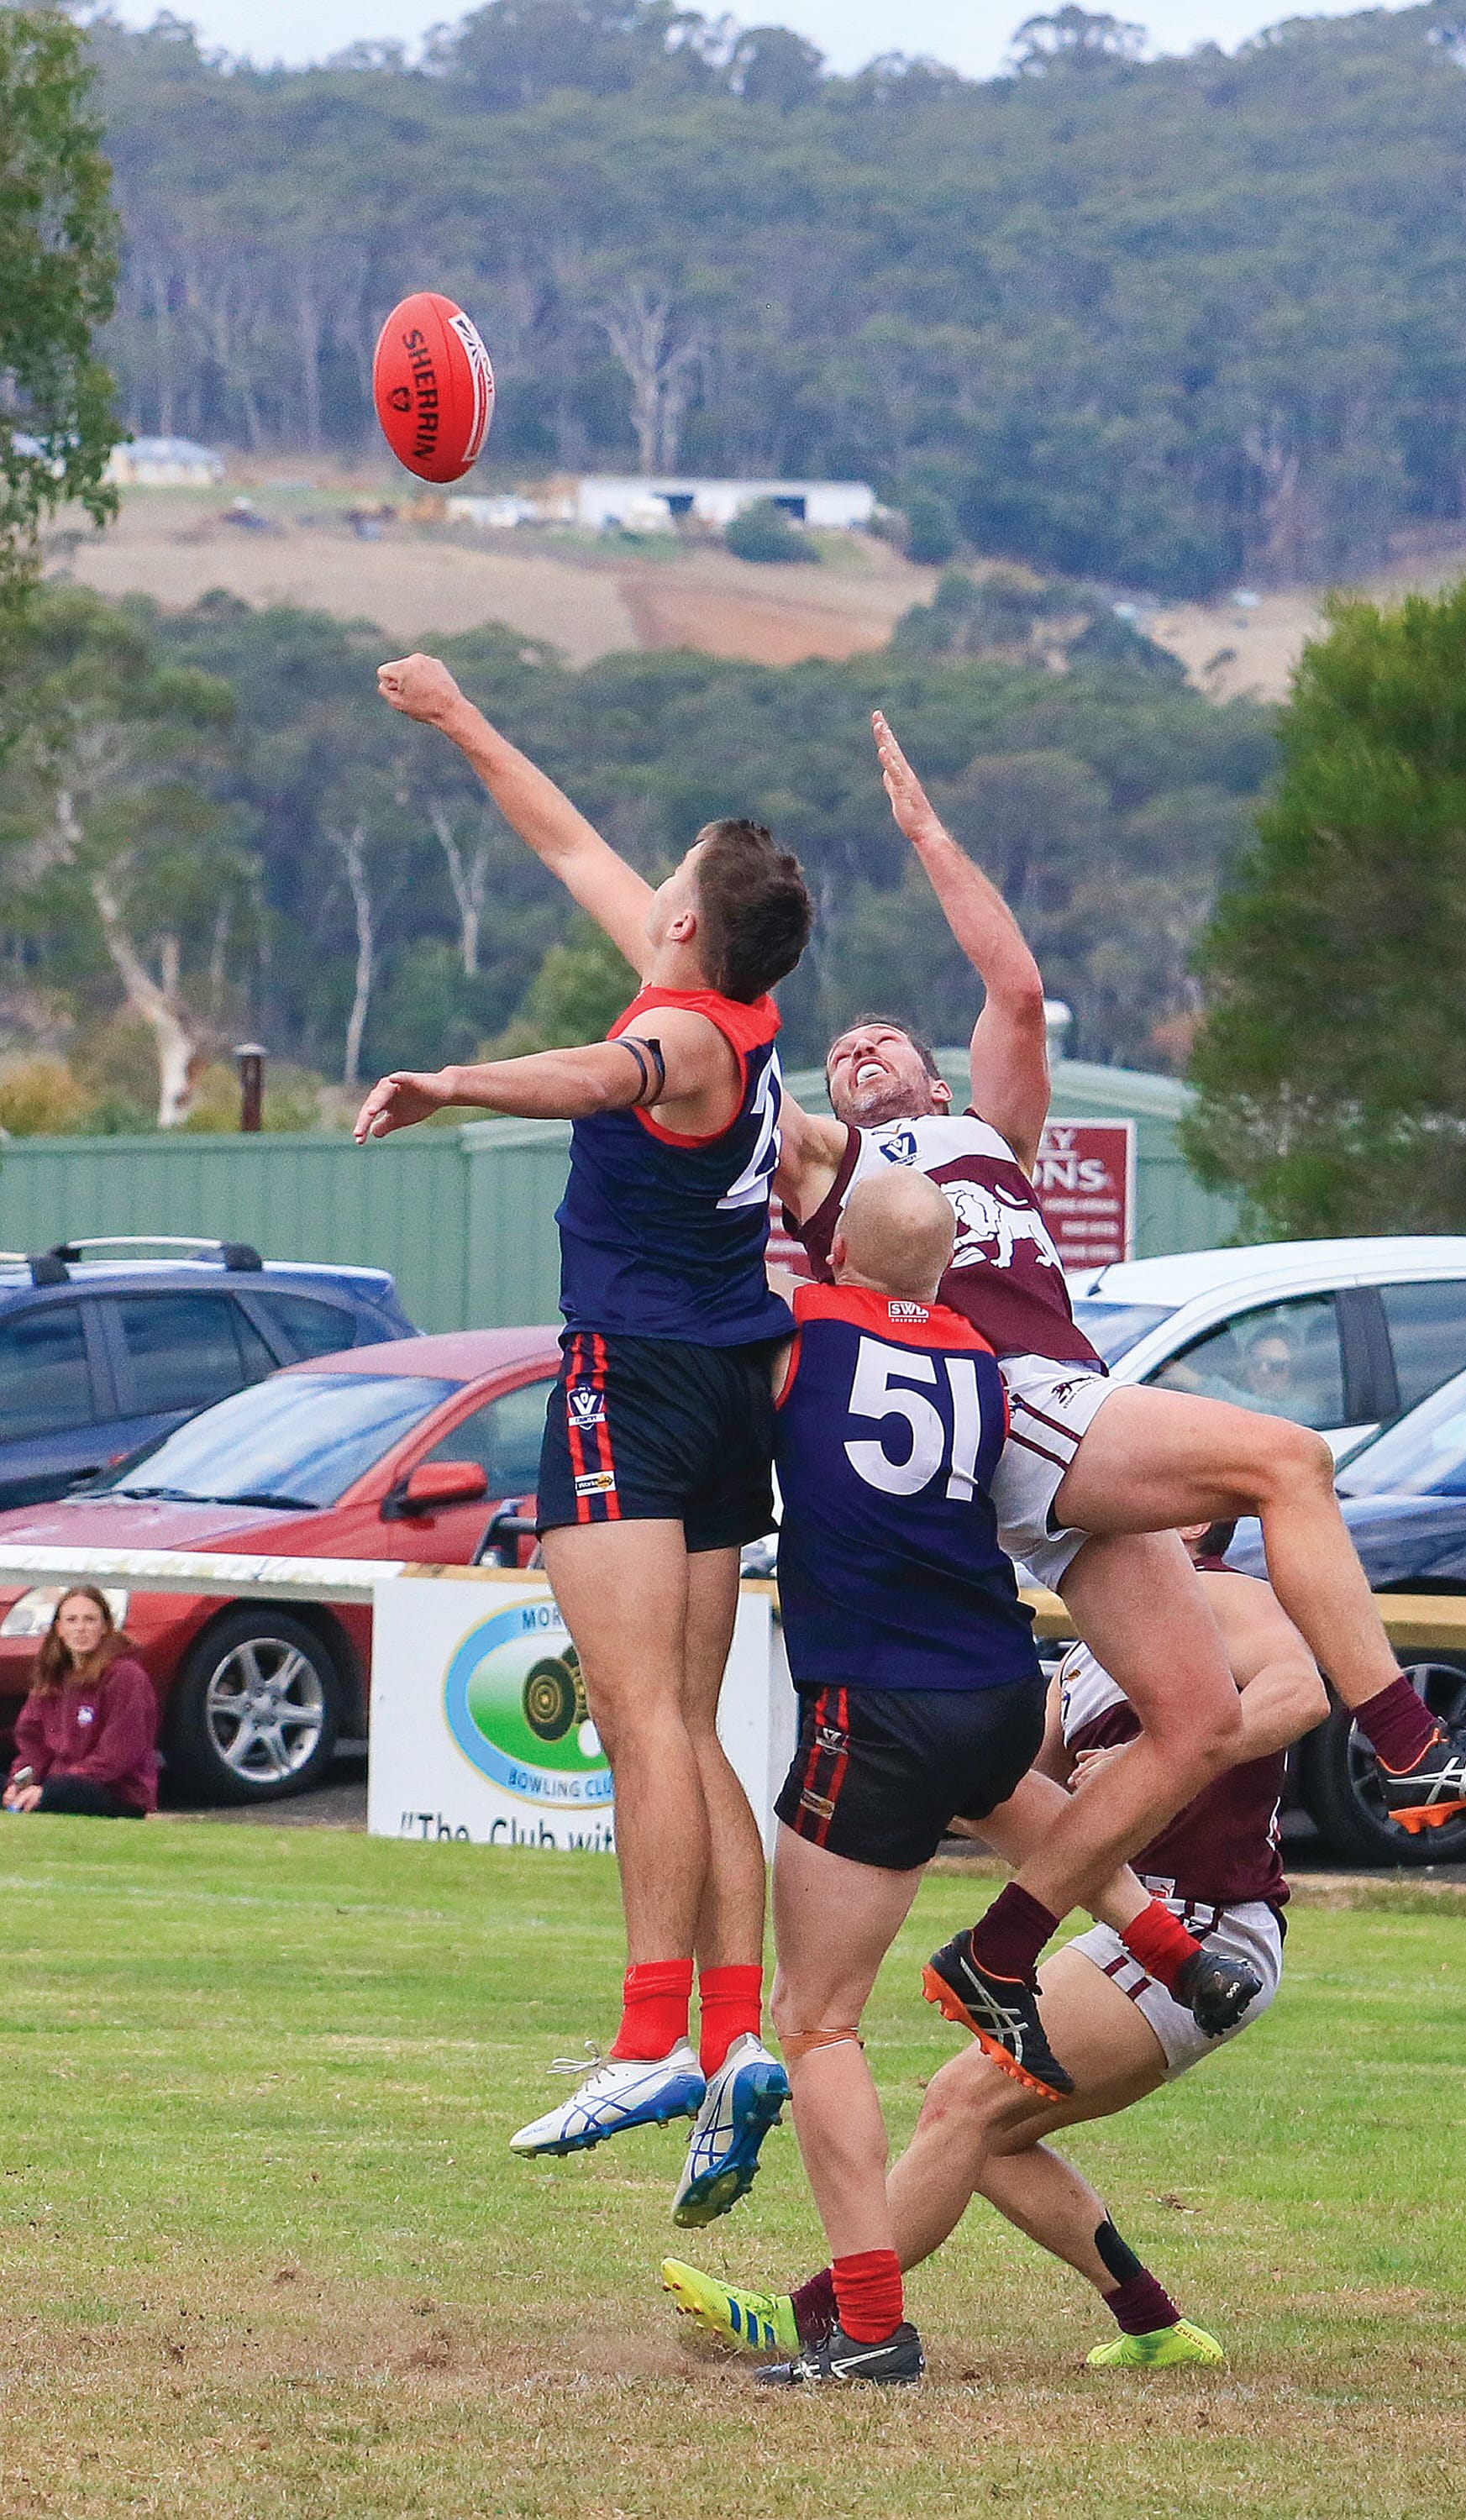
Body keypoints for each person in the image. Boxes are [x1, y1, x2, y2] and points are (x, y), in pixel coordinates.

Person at [772, 711, 1466, 2093]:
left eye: (881, 1038)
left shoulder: (983, 1133)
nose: (860, 1050)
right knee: (1289, 1459)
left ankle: (1002, 1948)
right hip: (1001, 1407)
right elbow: (713, 1086)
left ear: (935, 1071)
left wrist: (930, 837)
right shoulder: (837, 1169)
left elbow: (1013, 988)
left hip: (1070, 1414)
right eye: (838, 1049)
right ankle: (1413, 1744)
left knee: (1193, 1722)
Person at [360, 652, 813, 2226]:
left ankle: (647, 2044)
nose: (649, 881)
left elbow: (597, 1076)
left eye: (669, 875)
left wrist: (454, 1082)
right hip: (721, 1391)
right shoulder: (740, 1006)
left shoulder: (680, 1039)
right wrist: (462, 715)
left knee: (636, 1730)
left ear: (684, 919)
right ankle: (741, 2033)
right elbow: (565, 844)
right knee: (690, 1731)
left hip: (631, 1377)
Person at [661, 1522, 1327, 2376]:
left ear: (1184, 1521)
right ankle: (1154, 2328)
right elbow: (1008, 1796)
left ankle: (810, 2317)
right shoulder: (1091, 1647)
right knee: (988, 2131)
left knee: (961, 2107)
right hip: (1138, 1921)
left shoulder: (1218, 1595)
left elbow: (1298, 1693)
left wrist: (1163, 1755)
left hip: (1204, 1928)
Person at [746, 1164, 1055, 2386]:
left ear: (836, 1250)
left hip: (873, 1694)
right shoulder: (981, 1354)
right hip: (997, 1685)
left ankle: (871, 2324)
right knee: (1011, 1808)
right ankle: (1171, 1949)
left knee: (817, 2021)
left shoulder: (801, 1322)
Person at [3, 1589, 159, 1819]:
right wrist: (19, 1783)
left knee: (67, 1791)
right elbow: (32, 1744)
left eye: (90, 1619)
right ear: (60, 1629)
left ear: (105, 1626)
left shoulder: (126, 1676)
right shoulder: (53, 1676)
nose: (81, 1628)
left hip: (113, 1791)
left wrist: (50, 1789)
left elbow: (116, 1756)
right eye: (72, 1620)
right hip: (55, 1784)